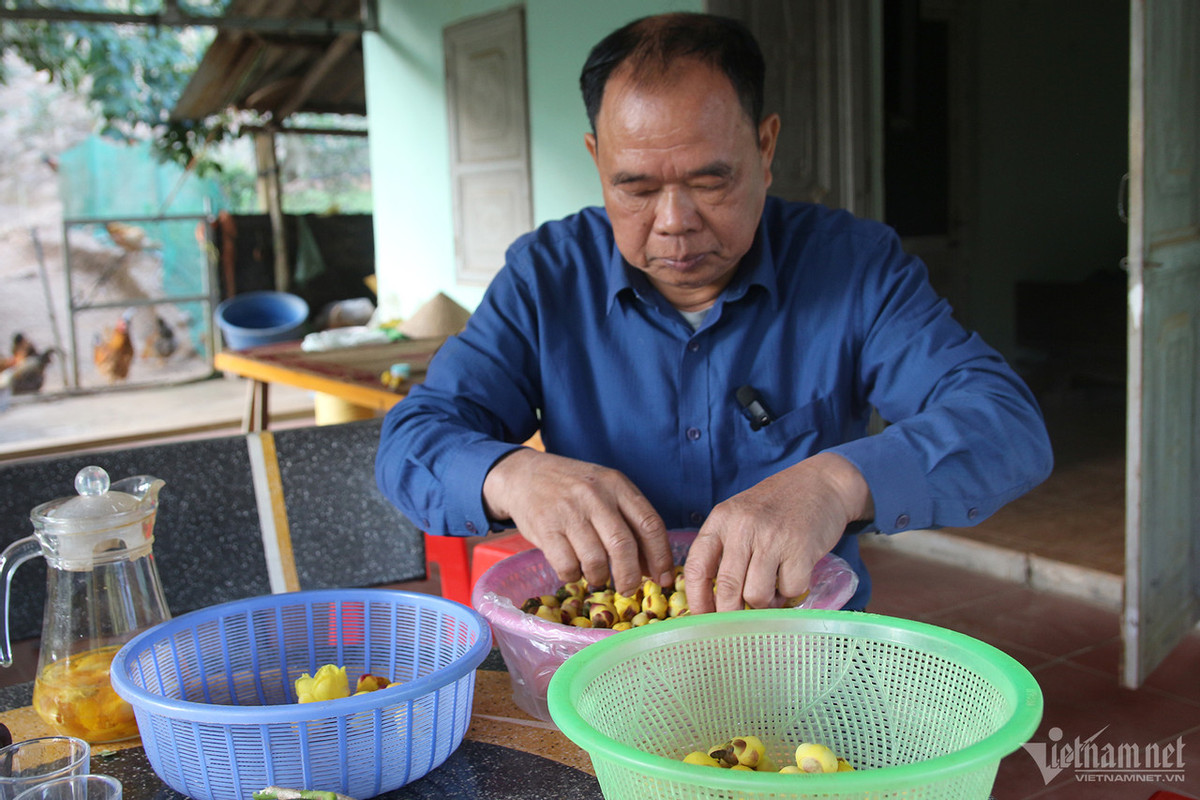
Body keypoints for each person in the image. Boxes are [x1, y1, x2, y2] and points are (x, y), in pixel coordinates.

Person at [376, 12, 1052, 613]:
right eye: (635, 188)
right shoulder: (545, 278)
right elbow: (411, 441)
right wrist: (510, 475)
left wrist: (837, 482)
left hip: (798, 654)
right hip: (610, 659)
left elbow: (1006, 426)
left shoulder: (853, 266)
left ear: (765, 147)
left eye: (710, 181)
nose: (674, 224)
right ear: (597, 159)